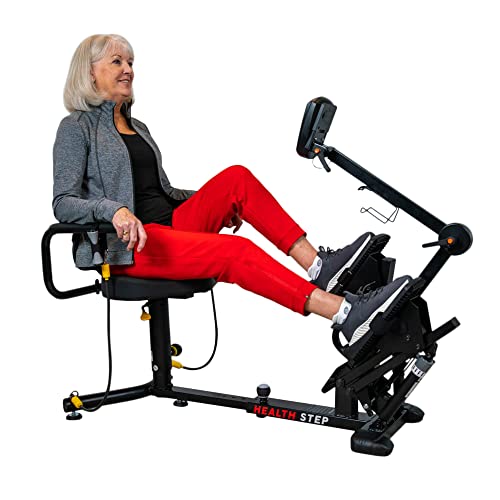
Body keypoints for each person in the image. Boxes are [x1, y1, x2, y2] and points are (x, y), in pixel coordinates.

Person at [53, 34, 413, 347]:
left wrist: (216, 201)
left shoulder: (139, 127)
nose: (128, 69)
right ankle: (345, 314)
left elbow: (159, 191)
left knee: (236, 179)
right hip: (131, 247)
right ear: (90, 72)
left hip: (172, 225)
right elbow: (63, 202)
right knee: (235, 252)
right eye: (117, 61)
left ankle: (320, 265)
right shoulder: (76, 127)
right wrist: (114, 211)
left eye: (131, 62)